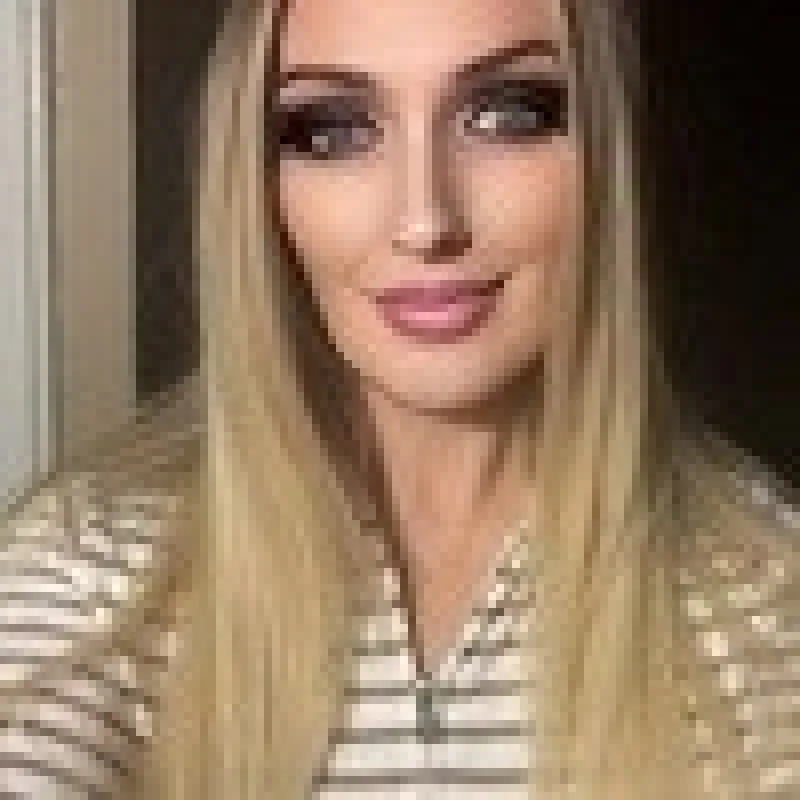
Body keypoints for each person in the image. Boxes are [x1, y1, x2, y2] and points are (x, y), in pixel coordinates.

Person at [1, 0, 797, 798]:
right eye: (335, 129)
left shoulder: (764, 591)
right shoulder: (92, 572)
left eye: (506, 114)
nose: (425, 222)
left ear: (605, 156)